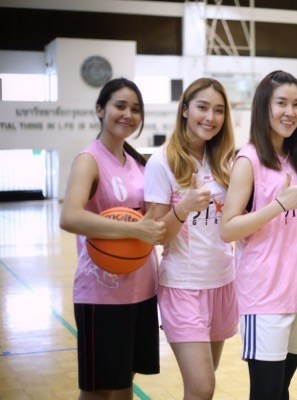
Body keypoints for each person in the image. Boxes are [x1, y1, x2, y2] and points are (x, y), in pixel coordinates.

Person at [59, 78, 166, 400]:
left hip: (142, 289)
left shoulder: (138, 163)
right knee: (99, 391)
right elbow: (70, 217)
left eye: (136, 109)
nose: (128, 114)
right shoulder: (89, 159)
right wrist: (135, 230)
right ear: (100, 110)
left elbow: (152, 217)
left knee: (123, 385)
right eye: (120, 106)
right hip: (102, 294)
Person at [219, 70, 297, 400]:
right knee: (265, 393)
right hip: (265, 298)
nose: (290, 112)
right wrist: (277, 205)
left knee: (281, 391)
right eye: (281, 103)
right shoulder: (248, 159)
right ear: (264, 107)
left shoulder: (294, 161)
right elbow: (227, 228)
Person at [143, 77, 238, 400]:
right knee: (201, 387)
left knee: (205, 384)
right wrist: (183, 208)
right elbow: (157, 235)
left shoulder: (224, 160)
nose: (210, 117)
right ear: (184, 110)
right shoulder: (161, 162)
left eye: (219, 110)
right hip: (183, 286)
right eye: (202, 107)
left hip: (223, 282)